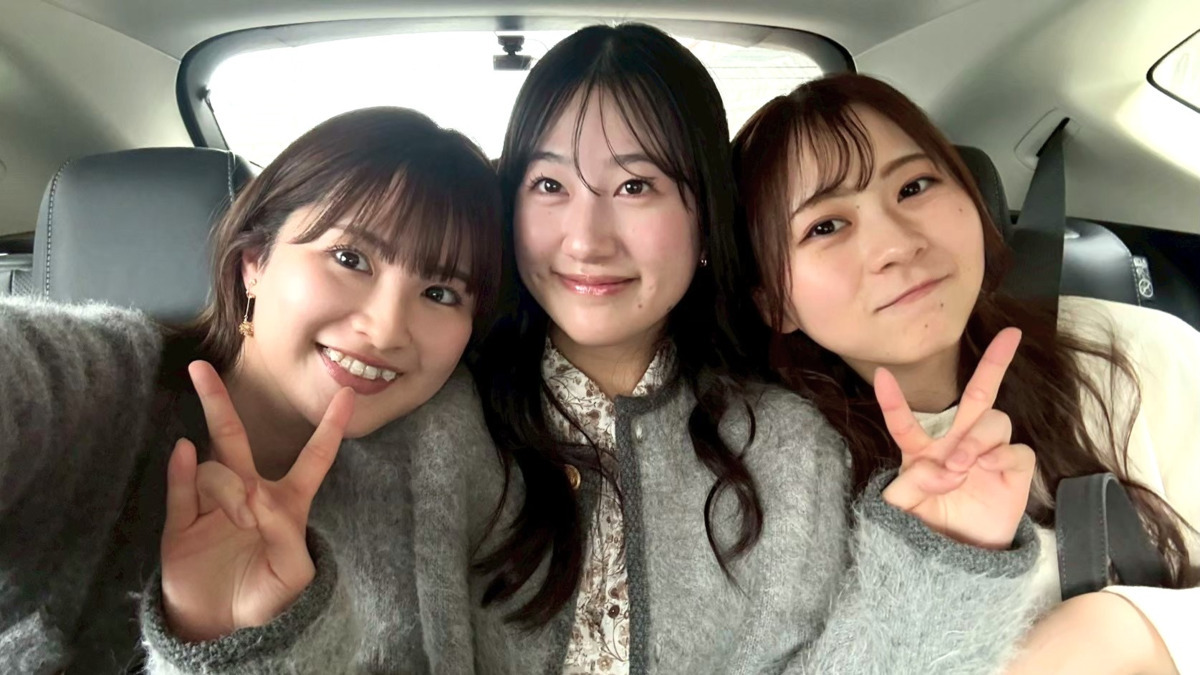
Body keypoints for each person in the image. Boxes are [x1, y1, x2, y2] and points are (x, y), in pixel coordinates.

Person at [471, 23, 1044, 673]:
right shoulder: (444, 422)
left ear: (707, 221)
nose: (585, 240)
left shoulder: (788, 448)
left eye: (636, 186)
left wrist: (938, 564)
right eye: (549, 185)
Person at [0, 106, 507, 673]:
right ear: (254, 263)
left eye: (440, 293)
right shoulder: (100, 385)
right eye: (350, 258)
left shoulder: (445, 475)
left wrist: (223, 645)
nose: (387, 330)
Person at [732, 72, 1200, 674]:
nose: (896, 244)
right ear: (774, 304)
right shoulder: (770, 483)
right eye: (825, 226)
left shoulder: (1133, 355)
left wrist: (1116, 632)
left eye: (914, 186)